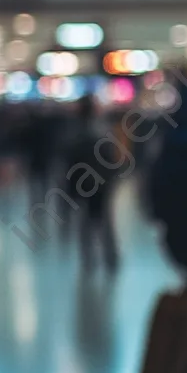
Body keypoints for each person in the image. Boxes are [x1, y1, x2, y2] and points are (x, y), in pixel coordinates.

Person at [66, 95, 121, 268]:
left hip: (85, 185)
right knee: (104, 221)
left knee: (87, 223)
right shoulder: (102, 130)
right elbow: (112, 159)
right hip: (102, 184)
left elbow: (71, 163)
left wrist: (72, 189)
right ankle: (110, 257)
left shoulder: (75, 133)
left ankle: (89, 258)